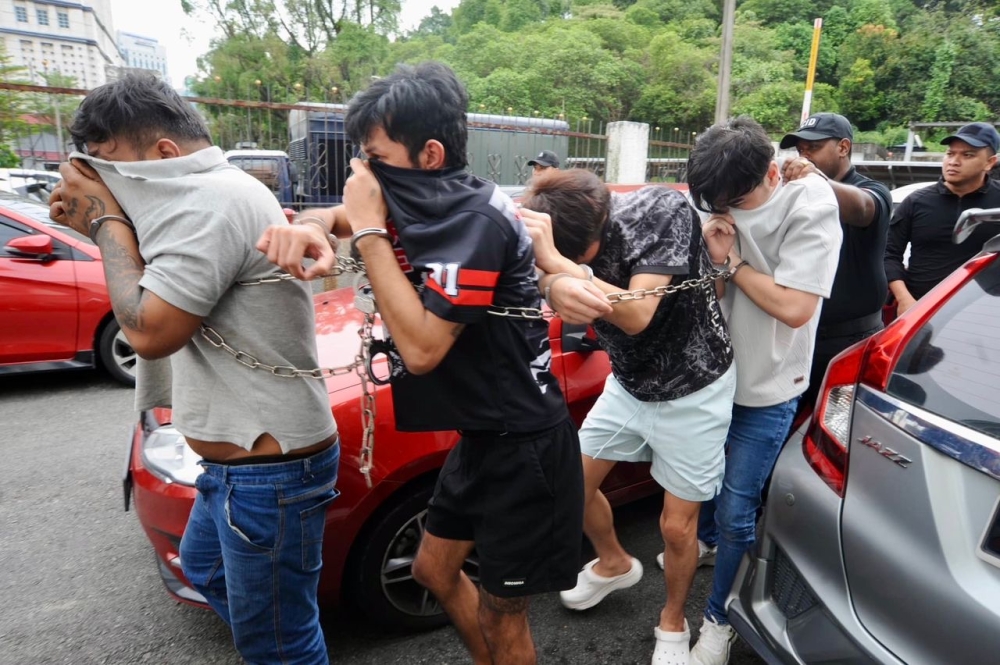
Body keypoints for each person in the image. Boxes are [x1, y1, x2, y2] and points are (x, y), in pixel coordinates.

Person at [259, 62, 583, 665]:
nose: (362, 172)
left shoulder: (476, 221)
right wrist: (308, 224)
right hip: (481, 436)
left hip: (525, 447)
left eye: (374, 157)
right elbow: (341, 214)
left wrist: (367, 230)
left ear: (429, 153)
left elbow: (424, 350)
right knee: (434, 570)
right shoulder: (423, 198)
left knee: (502, 612)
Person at [48, 74, 339, 664]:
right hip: (237, 470)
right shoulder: (194, 195)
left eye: (107, 165)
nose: (98, 182)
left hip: (267, 474)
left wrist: (106, 224)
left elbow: (149, 332)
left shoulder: (209, 201)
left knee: (278, 642)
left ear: (163, 154)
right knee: (209, 571)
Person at [519, 168, 736, 665]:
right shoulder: (544, 241)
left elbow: (637, 315)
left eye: (582, 257)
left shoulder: (660, 211)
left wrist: (555, 263)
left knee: (678, 528)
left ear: (599, 224)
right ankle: (615, 562)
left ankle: (673, 622)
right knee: (568, 483)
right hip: (629, 385)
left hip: (695, 387)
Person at [685, 116, 841, 665]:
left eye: (739, 199)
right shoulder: (719, 193)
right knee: (700, 488)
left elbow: (796, 308)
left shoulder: (811, 205)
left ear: (773, 172)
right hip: (710, 380)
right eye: (715, 201)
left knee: (737, 509)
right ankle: (711, 549)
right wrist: (718, 259)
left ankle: (719, 618)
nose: (729, 209)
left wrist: (733, 260)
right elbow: (715, 287)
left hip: (769, 388)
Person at [779, 112, 892, 409]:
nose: (804, 156)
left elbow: (862, 208)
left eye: (813, 148)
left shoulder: (872, 190)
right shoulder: (796, 193)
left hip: (852, 341)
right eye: (800, 150)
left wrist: (816, 180)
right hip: (800, 334)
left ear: (843, 147)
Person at [885, 121, 1000, 317]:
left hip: (985, 315)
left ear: (990, 162)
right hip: (921, 312)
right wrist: (905, 300)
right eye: (950, 153)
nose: (954, 161)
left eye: (967, 155)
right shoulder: (916, 202)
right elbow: (889, 255)